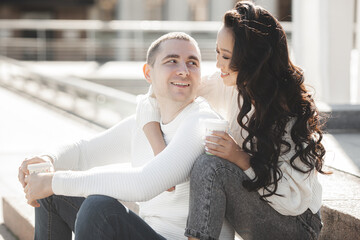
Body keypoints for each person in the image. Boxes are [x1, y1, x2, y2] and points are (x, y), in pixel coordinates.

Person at [18, 32, 234, 240]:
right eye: (172, 61)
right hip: (148, 232)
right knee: (50, 192)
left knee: (99, 209)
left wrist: (54, 181)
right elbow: (84, 152)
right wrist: (47, 160)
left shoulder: (201, 121)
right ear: (148, 73)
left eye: (192, 63)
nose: (184, 70)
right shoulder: (144, 122)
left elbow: (144, 183)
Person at [140, 1, 327, 240]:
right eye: (217, 52)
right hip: (261, 208)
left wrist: (239, 157)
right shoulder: (230, 83)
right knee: (209, 158)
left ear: (251, 59)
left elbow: (293, 202)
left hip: (298, 225)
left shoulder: (288, 111)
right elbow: (158, 91)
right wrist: (159, 150)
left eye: (226, 56)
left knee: (211, 166)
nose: (218, 65)